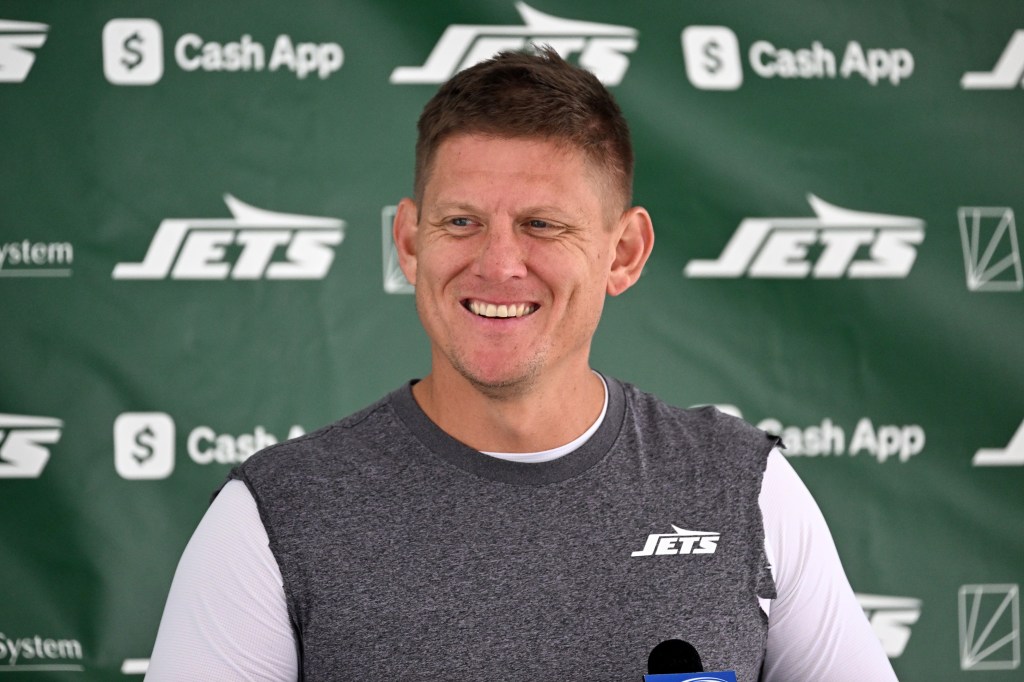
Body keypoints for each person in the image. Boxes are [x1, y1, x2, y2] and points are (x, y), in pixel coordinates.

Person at [146, 48, 898, 681]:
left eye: (542, 225)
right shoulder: (276, 516)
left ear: (624, 252)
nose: (499, 264)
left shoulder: (741, 487)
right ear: (410, 242)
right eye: (461, 222)